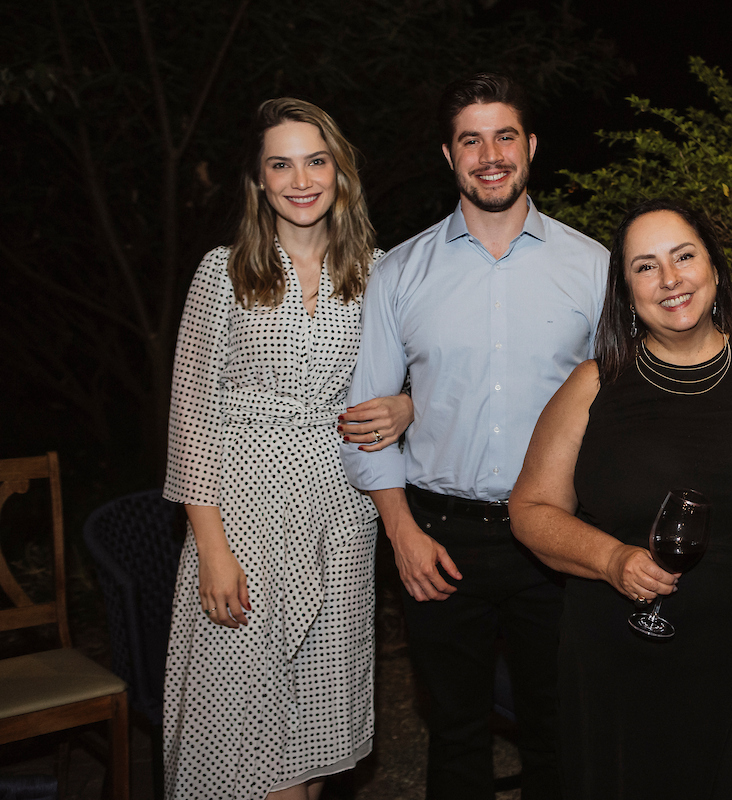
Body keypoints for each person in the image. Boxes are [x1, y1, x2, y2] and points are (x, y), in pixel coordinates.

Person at [339, 73, 607, 800]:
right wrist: (400, 533)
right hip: (438, 534)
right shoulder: (399, 272)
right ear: (448, 155)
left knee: (557, 731)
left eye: (504, 135)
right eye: (471, 139)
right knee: (455, 734)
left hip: (554, 538)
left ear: (531, 146)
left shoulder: (593, 269)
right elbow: (365, 421)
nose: (490, 154)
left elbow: (621, 412)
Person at [163, 97, 412, 800]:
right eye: (281, 163)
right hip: (240, 521)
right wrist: (210, 545)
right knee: (242, 739)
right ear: (260, 180)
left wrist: (406, 404)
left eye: (316, 160)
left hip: (340, 515)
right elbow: (191, 416)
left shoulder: (380, 271)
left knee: (315, 745)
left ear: (340, 172)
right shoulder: (223, 271)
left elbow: (432, 375)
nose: (300, 179)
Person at [509, 199, 732, 799]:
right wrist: (612, 559)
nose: (670, 279)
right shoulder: (596, 383)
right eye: (646, 266)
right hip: (620, 662)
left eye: (684, 256)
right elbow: (531, 511)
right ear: (626, 290)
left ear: (714, 268)